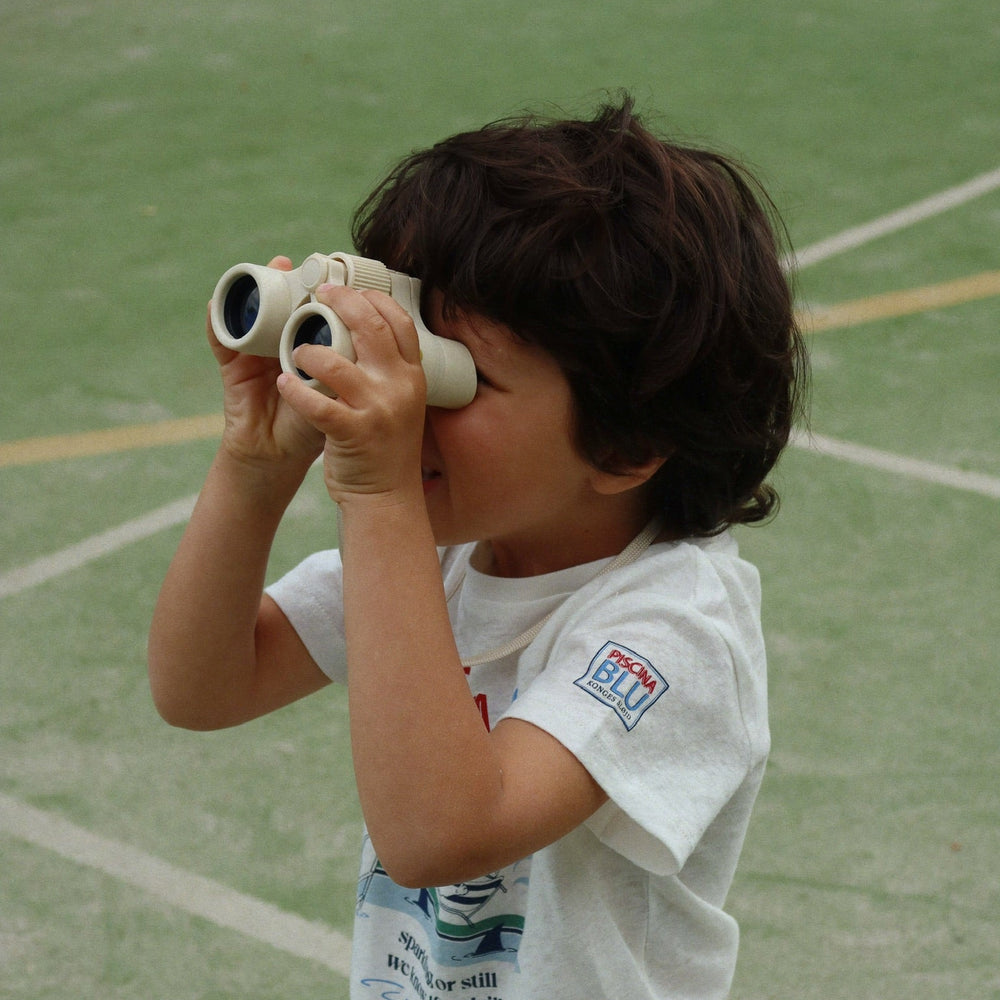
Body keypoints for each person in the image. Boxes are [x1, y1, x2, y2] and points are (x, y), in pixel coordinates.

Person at [148, 93, 808, 999]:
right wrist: (254, 465)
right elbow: (204, 685)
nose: (408, 395)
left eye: (457, 375)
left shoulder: (675, 630)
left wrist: (380, 493)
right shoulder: (455, 557)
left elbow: (439, 836)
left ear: (619, 448)